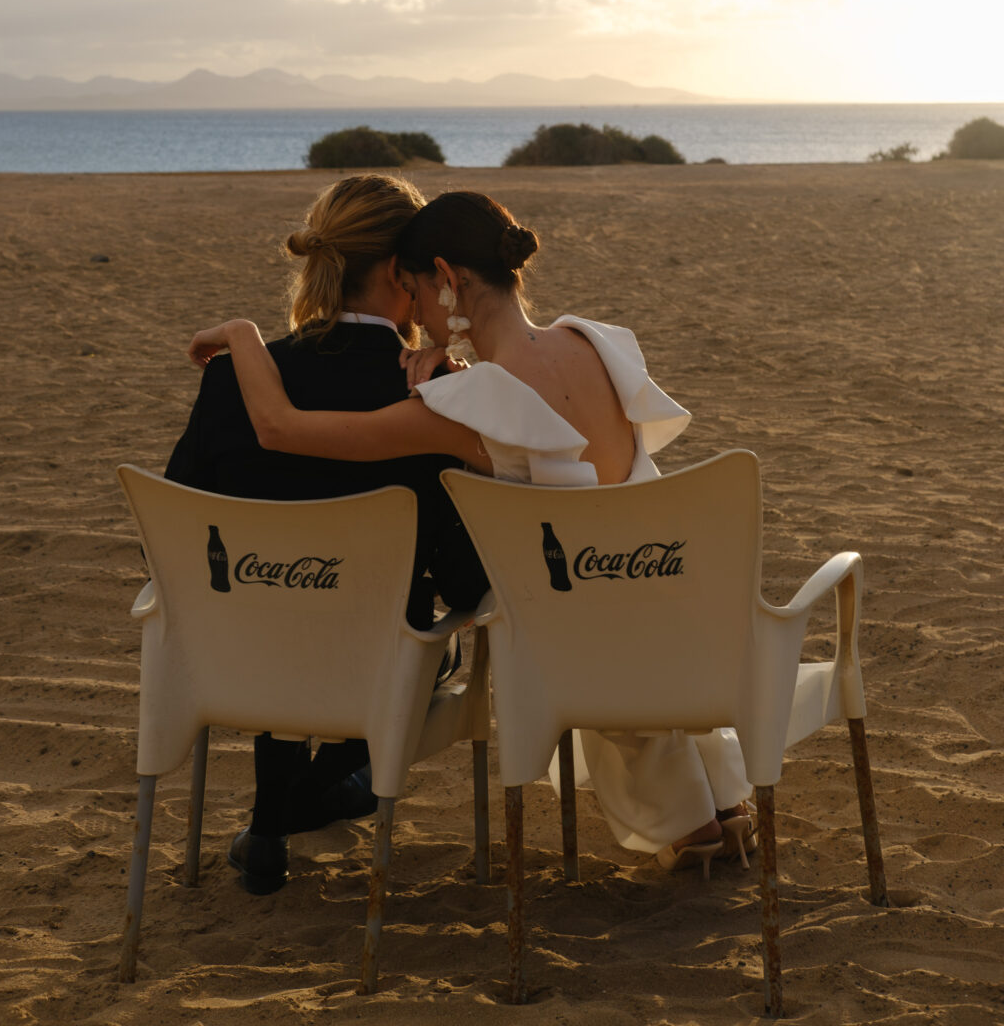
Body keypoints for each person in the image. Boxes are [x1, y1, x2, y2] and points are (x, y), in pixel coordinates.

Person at [187, 189, 755, 873]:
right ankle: (728, 808)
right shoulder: (594, 343)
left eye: (419, 292)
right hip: (679, 612)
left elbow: (280, 430)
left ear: (446, 279)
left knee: (562, 618)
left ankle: (697, 831)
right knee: (582, 608)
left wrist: (245, 337)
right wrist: (453, 374)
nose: (418, 319)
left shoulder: (463, 406)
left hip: (584, 646)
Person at [168, 173, 487, 894]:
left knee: (290, 603)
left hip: (239, 651)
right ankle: (306, 798)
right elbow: (466, 581)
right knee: (428, 638)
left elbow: (185, 529)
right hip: (371, 665)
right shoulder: (425, 401)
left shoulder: (232, 381)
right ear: (406, 274)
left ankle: (274, 820)